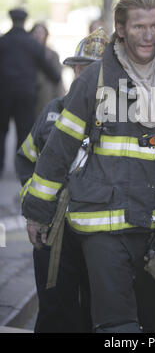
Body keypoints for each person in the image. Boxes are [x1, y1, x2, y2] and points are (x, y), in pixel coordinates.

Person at [21, 0, 155, 333]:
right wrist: (38, 213)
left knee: (149, 324)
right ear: (120, 28)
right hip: (103, 227)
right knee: (116, 323)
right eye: (138, 27)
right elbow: (59, 151)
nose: (148, 35)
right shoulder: (95, 80)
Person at [16, 27, 108, 333]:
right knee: (55, 308)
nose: (84, 75)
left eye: (94, 70)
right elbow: (27, 158)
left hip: (101, 234)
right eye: (80, 68)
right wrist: (39, 206)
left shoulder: (123, 120)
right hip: (52, 231)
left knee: (97, 310)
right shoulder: (53, 112)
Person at [0, 8, 61, 177]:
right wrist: (56, 77)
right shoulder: (32, 43)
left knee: (1, 132)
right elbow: (47, 68)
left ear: (12, 20)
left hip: (3, 94)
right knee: (24, 132)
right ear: (24, 21)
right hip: (25, 94)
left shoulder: (3, 41)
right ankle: (21, 168)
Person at [31, 22, 65, 118]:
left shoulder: (52, 54)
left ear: (46, 35)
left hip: (47, 96)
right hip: (31, 97)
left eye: (41, 32)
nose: (38, 35)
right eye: (35, 32)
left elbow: (58, 79)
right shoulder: (26, 54)